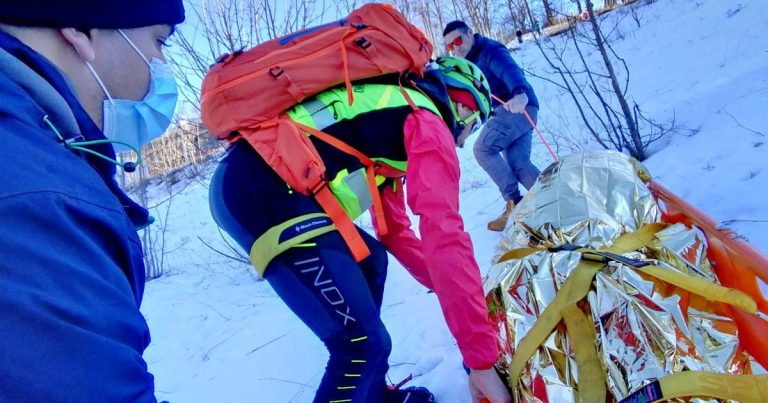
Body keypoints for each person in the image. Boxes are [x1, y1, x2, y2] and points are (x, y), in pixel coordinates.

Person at [210, 57, 512, 403]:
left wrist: (462, 293)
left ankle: (373, 397)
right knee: (361, 344)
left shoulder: (394, 115)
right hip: (261, 190)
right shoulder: (427, 122)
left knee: (370, 261)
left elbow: (395, 232)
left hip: (249, 182)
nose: (463, 141)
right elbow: (444, 237)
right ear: (463, 106)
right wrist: (482, 360)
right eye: (472, 126)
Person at [0, 1, 184, 401]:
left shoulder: (31, 141)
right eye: (159, 41)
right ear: (79, 30)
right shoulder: (37, 193)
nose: (161, 65)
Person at [443, 20, 541, 232]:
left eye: (458, 40)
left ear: (470, 33)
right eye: (449, 46)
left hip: (517, 106)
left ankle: (514, 203)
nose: (455, 48)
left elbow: (510, 71)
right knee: (519, 163)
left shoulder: (490, 50)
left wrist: (519, 93)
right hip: (514, 111)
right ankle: (552, 202)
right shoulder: (466, 65)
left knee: (483, 149)